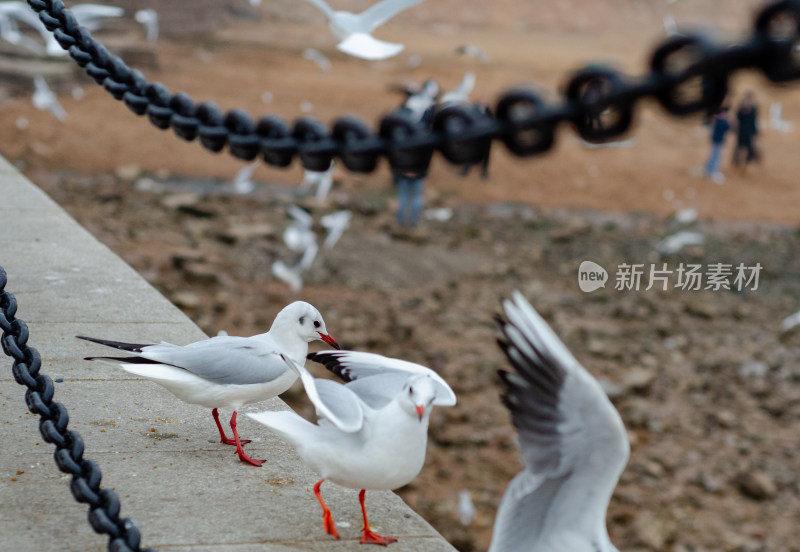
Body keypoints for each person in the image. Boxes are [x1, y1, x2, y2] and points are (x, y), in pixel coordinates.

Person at [732, 92, 759, 169]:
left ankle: (747, 163)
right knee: (739, 148)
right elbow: (738, 118)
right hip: (742, 131)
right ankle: (737, 162)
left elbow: (754, 120)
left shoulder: (754, 109)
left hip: (749, 132)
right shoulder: (741, 108)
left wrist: (755, 132)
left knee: (749, 148)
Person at [705, 105, 731, 183]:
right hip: (717, 140)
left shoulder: (716, 120)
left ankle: (709, 169)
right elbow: (727, 127)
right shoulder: (720, 121)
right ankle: (713, 171)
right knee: (716, 156)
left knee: (714, 155)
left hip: (716, 140)